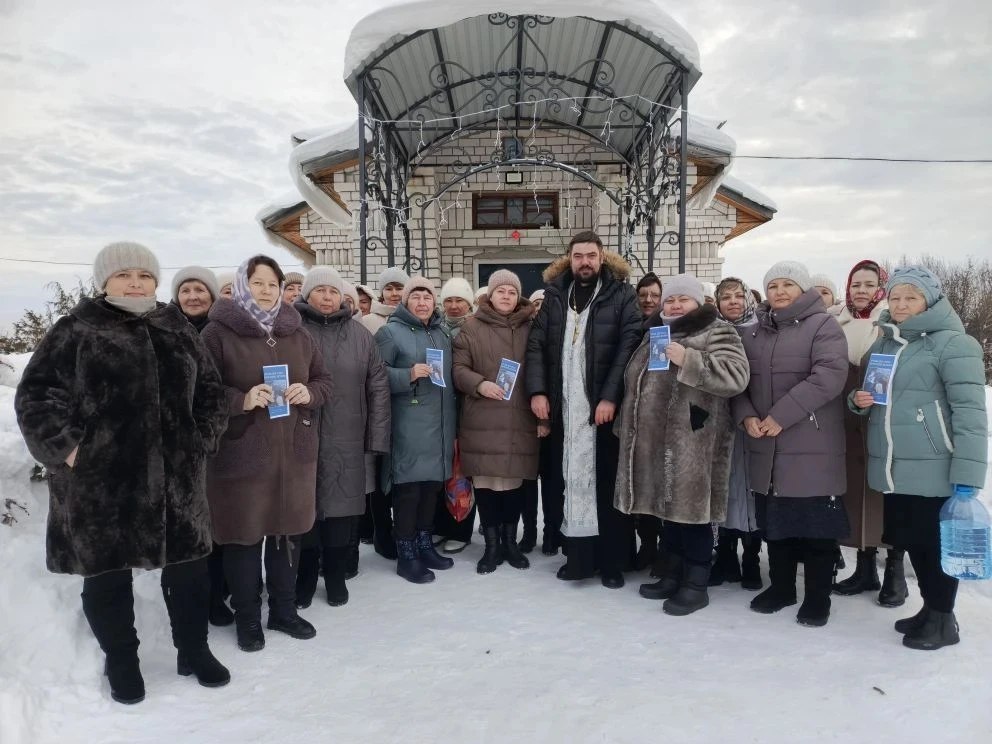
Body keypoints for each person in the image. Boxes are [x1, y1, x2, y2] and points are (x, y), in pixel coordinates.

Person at [16, 242, 231, 704]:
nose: (135, 283)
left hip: (177, 479)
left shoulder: (176, 328)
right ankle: (122, 661)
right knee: (107, 575)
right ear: (104, 282)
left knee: (190, 572)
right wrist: (69, 450)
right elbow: (37, 395)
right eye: (124, 275)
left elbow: (210, 391)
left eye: (144, 275)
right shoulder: (76, 329)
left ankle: (193, 650)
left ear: (156, 282)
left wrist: (201, 438)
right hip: (101, 483)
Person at [201, 255, 332, 652]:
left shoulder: (298, 333)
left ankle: (283, 611)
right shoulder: (216, 333)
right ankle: (246, 618)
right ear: (243, 286)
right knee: (243, 538)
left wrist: (308, 393)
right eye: (257, 283)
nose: (265, 290)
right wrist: (241, 399)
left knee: (287, 534)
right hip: (242, 454)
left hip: (293, 452)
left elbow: (325, 381)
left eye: (272, 284)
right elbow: (200, 391)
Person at [851, 266, 987, 649]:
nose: (901, 305)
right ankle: (931, 609)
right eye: (895, 297)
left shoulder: (955, 344)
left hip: (936, 467)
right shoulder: (885, 344)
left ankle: (944, 620)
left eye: (910, 297)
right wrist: (858, 402)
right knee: (912, 541)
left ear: (929, 299)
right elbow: (872, 399)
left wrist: (967, 476)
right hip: (895, 467)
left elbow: (971, 416)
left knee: (933, 545)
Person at [616, 273, 749, 614]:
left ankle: (695, 583)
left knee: (693, 515)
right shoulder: (655, 334)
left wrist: (688, 359)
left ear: (697, 302)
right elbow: (636, 384)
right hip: (654, 441)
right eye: (669, 301)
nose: (674, 305)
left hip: (695, 440)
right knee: (668, 512)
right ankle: (671, 574)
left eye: (682, 300)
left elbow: (736, 376)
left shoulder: (718, 330)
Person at [732, 260, 850, 627]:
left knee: (817, 528)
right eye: (773, 286)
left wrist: (780, 415)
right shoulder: (753, 333)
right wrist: (746, 415)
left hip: (811, 443)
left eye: (788, 284)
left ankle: (818, 598)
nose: (780, 292)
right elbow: (740, 382)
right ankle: (782, 587)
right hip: (765, 443)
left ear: (803, 289)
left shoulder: (823, 326)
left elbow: (829, 376)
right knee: (776, 524)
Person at [525, 230, 642, 587]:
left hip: (602, 409)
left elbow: (629, 345)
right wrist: (539, 391)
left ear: (602, 257)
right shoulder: (556, 294)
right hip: (565, 407)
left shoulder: (622, 295)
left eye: (591, 255)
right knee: (569, 481)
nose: (585, 262)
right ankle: (577, 558)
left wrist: (610, 396)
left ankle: (611, 562)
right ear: (569, 258)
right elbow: (536, 346)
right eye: (579, 256)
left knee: (604, 484)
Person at [295, 267, 390, 607]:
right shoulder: (292, 330)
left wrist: (377, 438)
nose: (326, 297)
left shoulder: (360, 335)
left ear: (342, 297)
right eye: (319, 290)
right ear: (307, 295)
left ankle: (335, 577)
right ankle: (304, 579)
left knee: (341, 512)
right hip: (300, 437)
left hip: (349, 436)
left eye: (332, 292)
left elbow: (377, 385)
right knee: (304, 512)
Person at [831, 260, 909, 605]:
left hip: (887, 420)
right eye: (855, 284)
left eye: (868, 284)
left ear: (880, 287)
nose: (860, 291)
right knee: (858, 493)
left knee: (888, 494)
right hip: (848, 419)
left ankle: (894, 570)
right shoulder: (837, 323)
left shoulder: (891, 323)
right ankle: (864, 569)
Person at [453, 269, 540, 574]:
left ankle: (510, 543)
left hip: (521, 418)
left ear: (519, 296)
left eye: (512, 292)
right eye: (500, 290)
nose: (506, 296)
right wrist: (479, 384)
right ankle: (491, 546)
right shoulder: (471, 327)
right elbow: (458, 368)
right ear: (490, 295)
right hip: (483, 417)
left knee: (514, 485)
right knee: (488, 486)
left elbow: (543, 366)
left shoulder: (532, 326)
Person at [375, 276, 457, 583]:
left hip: (440, 423)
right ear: (406, 302)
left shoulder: (442, 332)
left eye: (427, 297)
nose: (422, 303)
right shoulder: (390, 333)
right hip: (409, 423)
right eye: (416, 297)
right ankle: (406, 553)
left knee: (430, 489)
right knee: (408, 491)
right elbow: (375, 376)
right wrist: (406, 374)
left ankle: (425, 545)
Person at [171, 266, 234, 626]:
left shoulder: (221, 332)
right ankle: (204, 598)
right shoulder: (164, 331)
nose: (193, 296)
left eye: (200, 290)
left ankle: (220, 588)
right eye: (186, 290)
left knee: (220, 517)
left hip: (220, 438)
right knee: (192, 525)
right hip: (178, 445)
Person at [710, 276, 764, 590]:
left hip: (754, 422)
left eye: (737, 296)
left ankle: (752, 558)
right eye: (725, 297)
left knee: (752, 492)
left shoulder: (762, 331)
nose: (732, 302)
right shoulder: (712, 332)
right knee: (725, 489)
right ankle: (727, 555)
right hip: (720, 422)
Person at [361, 266, 410, 559]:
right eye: (389, 288)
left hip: (406, 407)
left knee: (400, 472)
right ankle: (382, 530)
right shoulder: (368, 322)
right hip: (377, 407)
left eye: (398, 287)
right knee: (379, 474)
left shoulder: (415, 319)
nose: (394, 293)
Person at [434, 276, 479, 552]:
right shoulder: (436, 329)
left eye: (459, 300)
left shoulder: (475, 329)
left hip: (468, 410)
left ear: (469, 303)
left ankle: (460, 531)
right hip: (440, 411)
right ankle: (440, 525)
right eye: (448, 300)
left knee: (464, 472)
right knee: (442, 471)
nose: (453, 306)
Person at [632, 271, 665, 571]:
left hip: (658, 418)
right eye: (643, 295)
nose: (649, 300)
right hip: (631, 417)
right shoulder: (631, 325)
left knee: (656, 485)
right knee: (637, 484)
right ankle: (644, 545)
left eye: (654, 295)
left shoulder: (664, 329)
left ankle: (657, 549)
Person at [361, 266, 409, 335]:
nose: (394, 294)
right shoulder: (366, 322)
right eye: (389, 289)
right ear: (382, 293)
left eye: (399, 289)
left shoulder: (416, 318)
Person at [172, 266, 219, 332]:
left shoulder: (227, 331)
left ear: (212, 296)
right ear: (177, 298)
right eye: (185, 291)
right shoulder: (160, 331)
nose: (192, 297)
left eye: (199, 290)